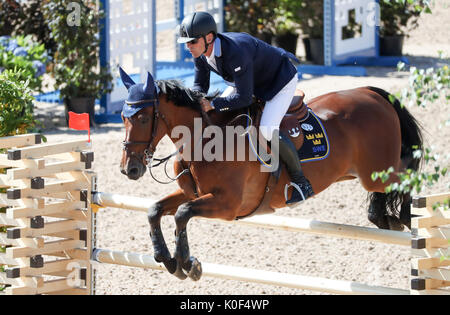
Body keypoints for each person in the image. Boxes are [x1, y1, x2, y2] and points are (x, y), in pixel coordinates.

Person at [177, 11, 313, 204]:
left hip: (278, 82)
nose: (188, 47)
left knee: (266, 129)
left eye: (192, 42)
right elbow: (201, 86)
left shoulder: (236, 52)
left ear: (208, 38)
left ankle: (301, 182)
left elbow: (244, 98)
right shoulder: (200, 53)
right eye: (186, 43)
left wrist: (214, 103)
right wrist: (195, 101)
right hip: (247, 82)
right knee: (217, 116)